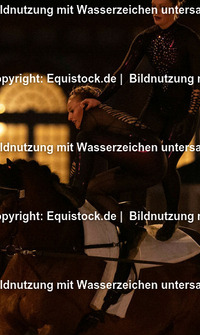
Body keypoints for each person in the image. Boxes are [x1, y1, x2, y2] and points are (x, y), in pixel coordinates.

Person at [83, 0, 200, 241]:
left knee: (166, 165)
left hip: (182, 112)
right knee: (138, 156)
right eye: (153, 6)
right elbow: (124, 72)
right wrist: (99, 98)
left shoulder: (190, 40)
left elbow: (198, 84)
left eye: (163, 7)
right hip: (155, 107)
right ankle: (138, 213)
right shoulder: (145, 38)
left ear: (176, 8)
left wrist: (189, 115)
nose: (156, 12)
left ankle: (171, 219)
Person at [66, 85, 166, 314]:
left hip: (149, 157)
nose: (69, 117)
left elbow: (83, 153)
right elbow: (97, 159)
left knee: (84, 141)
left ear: (85, 105)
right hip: (146, 164)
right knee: (94, 189)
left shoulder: (94, 114)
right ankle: (130, 229)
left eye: (72, 110)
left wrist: (72, 189)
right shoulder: (101, 119)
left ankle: (78, 193)